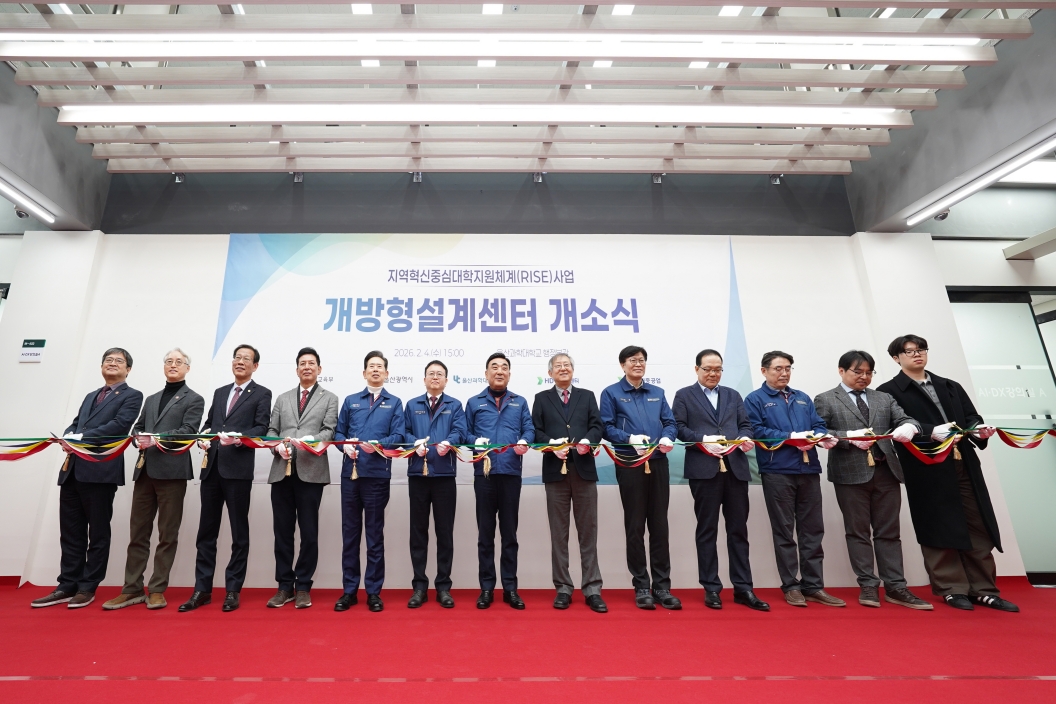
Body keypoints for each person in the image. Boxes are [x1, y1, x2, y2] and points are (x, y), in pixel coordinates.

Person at [877, 335, 1018, 612]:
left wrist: (978, 429)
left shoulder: (949, 385)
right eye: (909, 351)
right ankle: (952, 588)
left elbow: (971, 417)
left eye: (921, 349)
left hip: (963, 462)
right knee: (937, 525)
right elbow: (895, 429)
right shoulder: (888, 391)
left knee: (977, 523)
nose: (917, 354)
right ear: (896, 358)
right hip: (925, 467)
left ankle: (984, 590)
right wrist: (930, 432)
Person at [814, 350, 932, 610]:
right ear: (841, 371)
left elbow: (905, 419)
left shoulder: (883, 397)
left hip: (886, 471)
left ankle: (896, 586)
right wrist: (848, 437)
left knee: (889, 532)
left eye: (869, 373)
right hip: (849, 475)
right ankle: (868, 584)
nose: (864, 377)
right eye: (858, 372)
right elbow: (819, 431)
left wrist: (909, 426)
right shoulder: (825, 398)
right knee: (857, 532)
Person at [32, 348, 143, 609]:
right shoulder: (91, 395)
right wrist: (68, 436)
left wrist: (80, 439)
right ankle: (66, 584)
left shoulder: (132, 396)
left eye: (119, 361)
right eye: (108, 360)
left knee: (98, 533)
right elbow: (75, 424)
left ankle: (87, 586)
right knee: (71, 532)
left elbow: (119, 426)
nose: (112, 363)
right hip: (73, 471)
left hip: (100, 471)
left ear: (128, 369)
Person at [102, 348, 204, 611]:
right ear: (164, 366)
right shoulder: (151, 398)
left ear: (187, 368)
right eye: (169, 361)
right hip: (145, 471)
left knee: (167, 534)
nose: (173, 365)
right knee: (138, 533)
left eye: (179, 362)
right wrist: (139, 437)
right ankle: (131, 588)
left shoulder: (194, 399)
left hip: (173, 472)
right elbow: (137, 427)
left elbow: (189, 431)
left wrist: (156, 439)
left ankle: (157, 589)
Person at [744, 350, 844, 608]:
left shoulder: (802, 397)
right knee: (784, 531)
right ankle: (791, 586)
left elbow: (818, 424)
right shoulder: (755, 399)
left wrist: (819, 436)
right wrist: (791, 437)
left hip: (808, 470)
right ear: (764, 371)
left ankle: (814, 586)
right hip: (777, 471)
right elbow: (756, 430)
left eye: (788, 368)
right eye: (778, 368)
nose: (784, 373)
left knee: (813, 530)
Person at [672, 349, 769, 612]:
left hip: (735, 468)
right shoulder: (684, 395)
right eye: (708, 369)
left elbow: (745, 424)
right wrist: (703, 440)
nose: (713, 374)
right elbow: (678, 428)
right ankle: (711, 588)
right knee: (707, 530)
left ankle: (743, 588)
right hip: (704, 470)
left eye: (718, 369)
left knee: (738, 530)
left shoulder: (732, 395)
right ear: (697, 369)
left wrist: (746, 437)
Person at [180, 344, 272, 613]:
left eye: (246, 359)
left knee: (239, 533)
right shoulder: (220, 392)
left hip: (238, 470)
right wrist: (204, 437)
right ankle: (202, 589)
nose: (240, 362)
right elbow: (210, 424)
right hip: (211, 469)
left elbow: (261, 428)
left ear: (255, 366)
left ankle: (233, 589)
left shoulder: (262, 393)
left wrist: (239, 439)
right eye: (237, 357)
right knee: (206, 533)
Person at [599, 345, 681, 611]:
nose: (638, 364)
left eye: (642, 360)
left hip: (657, 463)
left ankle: (662, 587)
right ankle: (642, 585)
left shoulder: (657, 392)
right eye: (632, 360)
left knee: (659, 525)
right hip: (630, 463)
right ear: (622, 365)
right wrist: (628, 439)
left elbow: (670, 422)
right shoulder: (611, 393)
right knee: (635, 526)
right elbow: (606, 427)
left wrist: (668, 437)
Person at [531, 353, 607, 613]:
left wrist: (588, 441)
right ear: (550, 373)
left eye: (567, 365)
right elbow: (536, 431)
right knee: (558, 534)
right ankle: (563, 587)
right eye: (558, 366)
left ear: (573, 370)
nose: (563, 369)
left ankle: (593, 589)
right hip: (555, 472)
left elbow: (597, 426)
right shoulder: (541, 398)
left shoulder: (587, 396)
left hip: (584, 470)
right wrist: (551, 445)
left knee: (588, 533)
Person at [264, 347, 339, 610]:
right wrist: (276, 446)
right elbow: (271, 430)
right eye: (302, 363)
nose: (307, 367)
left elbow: (329, 431)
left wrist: (311, 441)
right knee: (282, 532)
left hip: (311, 471)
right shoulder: (283, 398)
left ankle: (304, 585)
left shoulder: (330, 398)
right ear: (297, 369)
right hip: (281, 470)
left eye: (311, 363)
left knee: (309, 533)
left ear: (319, 369)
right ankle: (284, 586)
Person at [334, 351, 404, 613]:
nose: (375, 370)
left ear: (386, 373)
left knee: (374, 536)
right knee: (350, 535)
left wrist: (378, 445)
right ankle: (349, 591)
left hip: (376, 476)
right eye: (371, 367)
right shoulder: (351, 400)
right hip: (351, 475)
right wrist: (344, 446)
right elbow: (338, 432)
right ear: (364, 373)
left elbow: (398, 436)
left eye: (380, 367)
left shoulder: (394, 402)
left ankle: (373, 592)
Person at [465, 352, 535, 610]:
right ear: (486, 373)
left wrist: (525, 440)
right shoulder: (474, 402)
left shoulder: (520, 401)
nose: (499, 371)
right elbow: (464, 432)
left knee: (509, 535)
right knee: (485, 534)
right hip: (484, 475)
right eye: (494, 367)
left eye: (504, 367)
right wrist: (475, 441)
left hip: (510, 474)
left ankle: (510, 588)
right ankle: (486, 588)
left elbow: (529, 428)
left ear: (509, 374)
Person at [403, 360, 467, 609]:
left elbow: (460, 431)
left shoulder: (455, 405)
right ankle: (419, 587)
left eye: (440, 374)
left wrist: (450, 442)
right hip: (418, 475)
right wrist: (414, 443)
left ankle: (443, 587)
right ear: (424, 379)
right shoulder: (412, 405)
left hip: (444, 476)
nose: (435, 377)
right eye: (431, 373)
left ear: (446, 380)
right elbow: (404, 432)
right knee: (418, 533)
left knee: (445, 533)